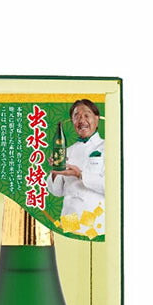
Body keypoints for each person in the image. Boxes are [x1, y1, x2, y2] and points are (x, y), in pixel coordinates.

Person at [46, 99, 105, 236]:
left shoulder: (108, 147)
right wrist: (56, 170)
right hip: (69, 216)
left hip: (95, 218)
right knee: (69, 248)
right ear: (72, 122)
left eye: (86, 115)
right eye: (76, 116)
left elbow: (112, 187)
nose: (81, 120)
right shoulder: (68, 150)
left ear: (97, 119)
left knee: (91, 248)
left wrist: (80, 174)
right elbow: (56, 192)